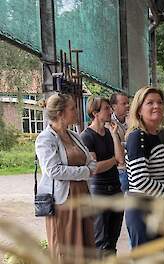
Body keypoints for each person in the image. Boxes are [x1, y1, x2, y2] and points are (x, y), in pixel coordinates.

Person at [35, 93, 97, 263]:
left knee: (85, 248)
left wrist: (86, 169)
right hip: (63, 203)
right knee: (66, 250)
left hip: (82, 198)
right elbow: (53, 170)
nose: (76, 111)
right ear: (61, 113)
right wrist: (84, 172)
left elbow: (92, 162)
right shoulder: (45, 138)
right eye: (72, 108)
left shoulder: (75, 135)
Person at [125, 86, 164, 248]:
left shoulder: (157, 136)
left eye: (159, 102)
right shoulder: (137, 137)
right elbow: (141, 181)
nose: (156, 106)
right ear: (139, 109)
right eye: (149, 102)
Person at [80, 96, 124, 257]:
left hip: (116, 188)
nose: (110, 111)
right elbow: (95, 168)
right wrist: (114, 160)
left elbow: (122, 160)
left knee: (113, 239)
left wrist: (114, 135)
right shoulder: (87, 136)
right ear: (95, 112)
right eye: (106, 108)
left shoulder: (109, 132)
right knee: (101, 240)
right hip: (99, 191)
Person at [109, 92, 130, 193]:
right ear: (114, 107)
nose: (127, 106)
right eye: (124, 103)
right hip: (122, 170)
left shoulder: (132, 121)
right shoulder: (109, 124)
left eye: (128, 103)